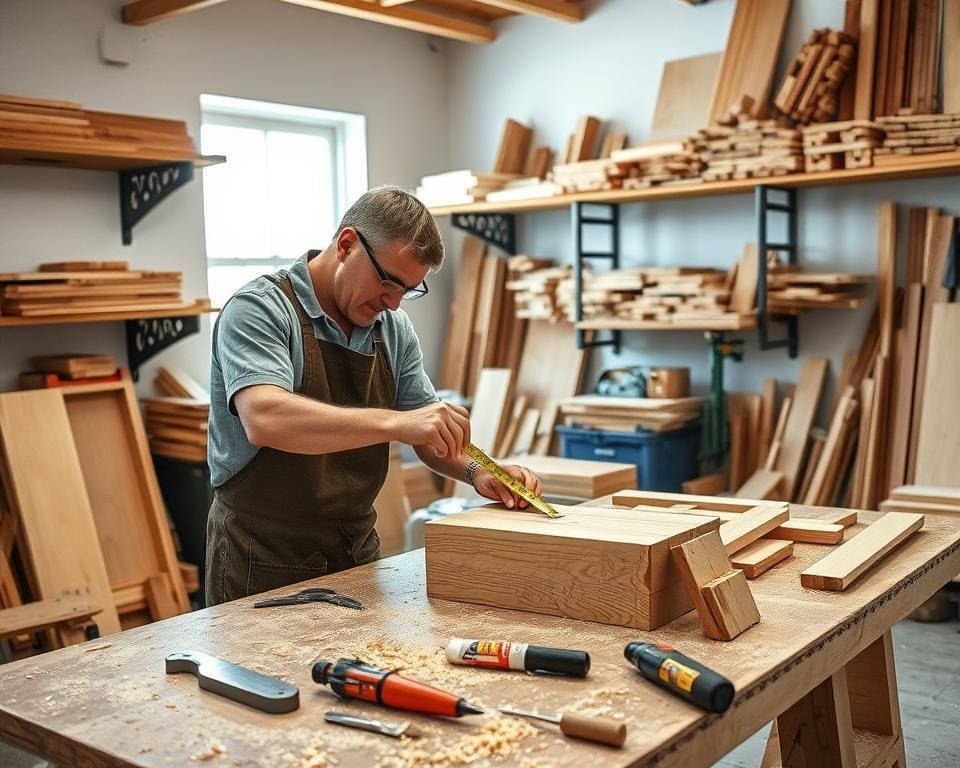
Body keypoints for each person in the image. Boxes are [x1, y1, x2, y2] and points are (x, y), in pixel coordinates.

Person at [204, 185, 542, 605]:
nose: (394, 303)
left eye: (408, 290)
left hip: (356, 554)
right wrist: (399, 423)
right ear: (346, 244)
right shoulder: (259, 310)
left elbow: (429, 433)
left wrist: (478, 471)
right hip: (262, 560)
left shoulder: (392, 330)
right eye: (388, 282)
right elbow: (265, 418)